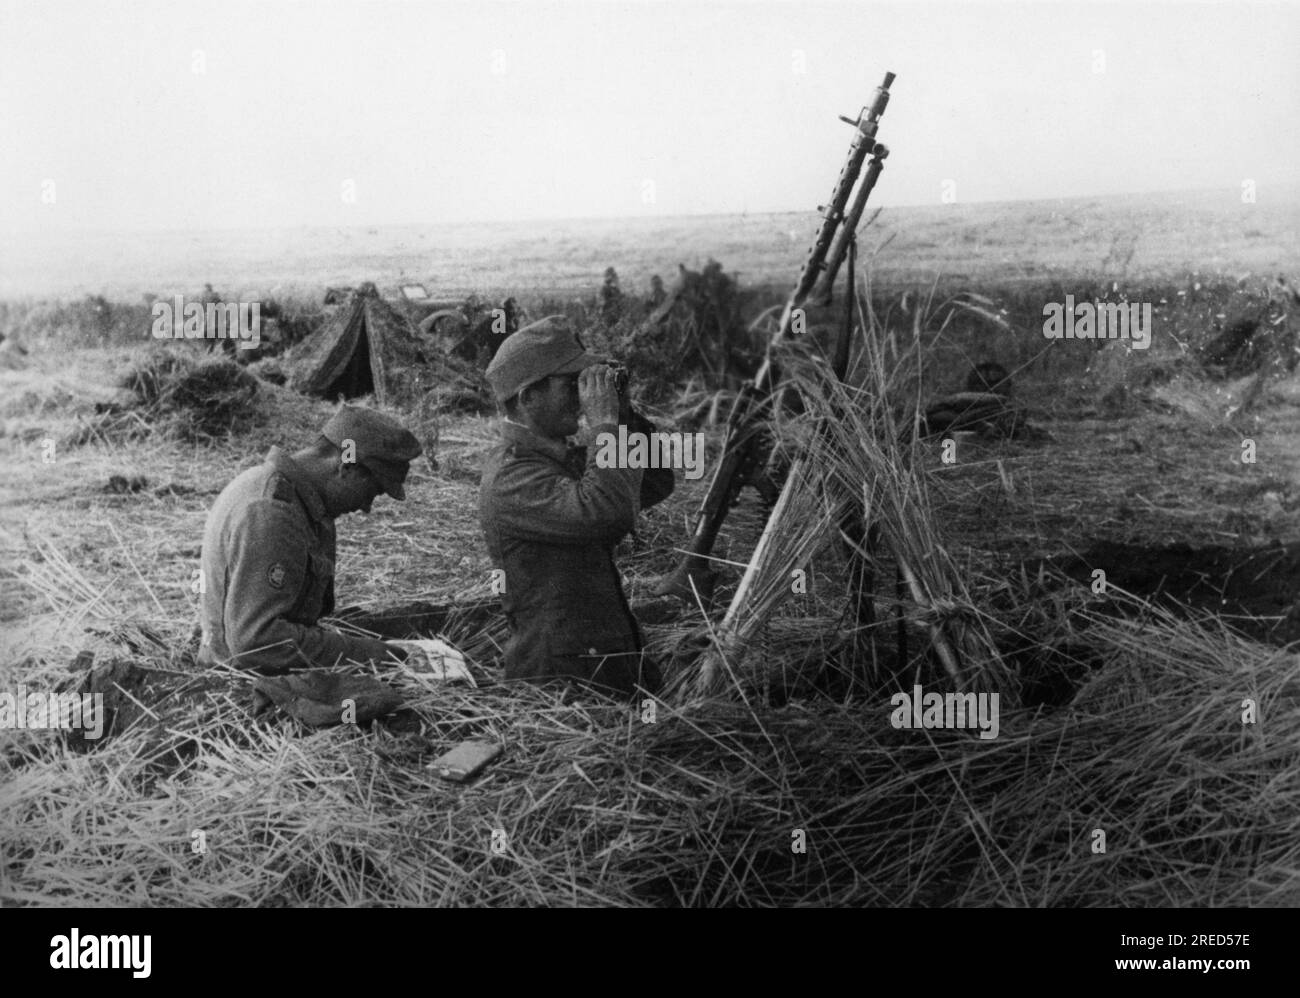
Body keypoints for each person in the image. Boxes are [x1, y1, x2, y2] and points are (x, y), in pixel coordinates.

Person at [480, 316, 674, 698]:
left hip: (597, 665)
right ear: (527, 398)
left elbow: (654, 482)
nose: (583, 396)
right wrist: (605, 425)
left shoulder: (557, 457)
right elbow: (607, 512)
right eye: (571, 385)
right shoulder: (511, 477)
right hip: (560, 685)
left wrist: (623, 415)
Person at [198, 405, 422, 673]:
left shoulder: (292, 499)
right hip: (242, 679)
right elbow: (257, 642)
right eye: (371, 492)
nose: (366, 506)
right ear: (346, 467)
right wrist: (371, 655)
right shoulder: (273, 513)